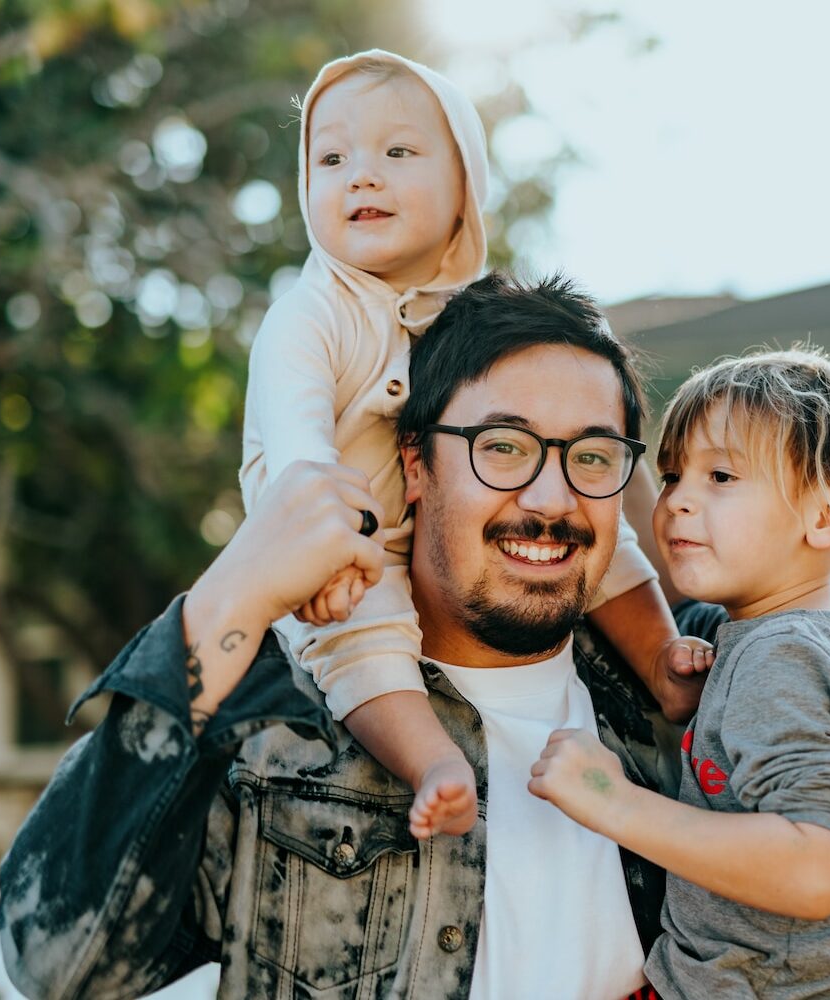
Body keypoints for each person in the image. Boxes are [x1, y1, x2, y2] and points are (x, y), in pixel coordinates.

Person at [0, 274, 830, 999]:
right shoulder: (277, 713)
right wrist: (226, 598)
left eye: (591, 457)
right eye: (503, 447)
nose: (549, 497)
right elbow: (59, 961)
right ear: (415, 465)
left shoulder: (698, 672)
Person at [239, 49, 703, 841]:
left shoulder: (475, 322)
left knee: (601, 531)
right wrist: (323, 554)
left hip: (422, 534)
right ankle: (433, 762)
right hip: (340, 550)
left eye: (397, 152)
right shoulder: (310, 315)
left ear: (465, 192)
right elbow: (298, 453)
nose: (362, 176)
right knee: (364, 643)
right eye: (332, 157)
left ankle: (662, 660)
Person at [531, 348, 830, 998]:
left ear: (828, 515)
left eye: (720, 477)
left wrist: (613, 802)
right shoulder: (794, 647)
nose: (678, 502)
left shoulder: (782, 659)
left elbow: (812, 870)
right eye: (670, 476)